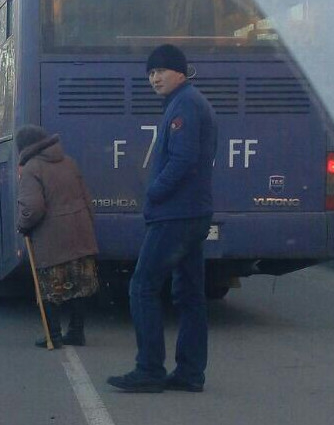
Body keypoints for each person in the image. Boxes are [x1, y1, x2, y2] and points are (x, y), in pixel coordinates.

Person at [108, 44, 218, 394]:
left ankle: (150, 369)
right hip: (193, 212)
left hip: (176, 214)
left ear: (180, 73)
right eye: (150, 72)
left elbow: (183, 160)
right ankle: (189, 372)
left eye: (161, 70)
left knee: (142, 286)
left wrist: (154, 191)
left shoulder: (184, 105)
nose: (154, 77)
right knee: (189, 294)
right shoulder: (189, 101)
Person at [16, 124, 99, 349]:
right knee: (80, 285)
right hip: (81, 233)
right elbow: (87, 199)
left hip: (52, 238)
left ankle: (53, 335)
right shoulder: (69, 162)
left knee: (50, 288)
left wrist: (23, 225)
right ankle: (76, 331)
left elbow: (33, 207)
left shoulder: (32, 169)